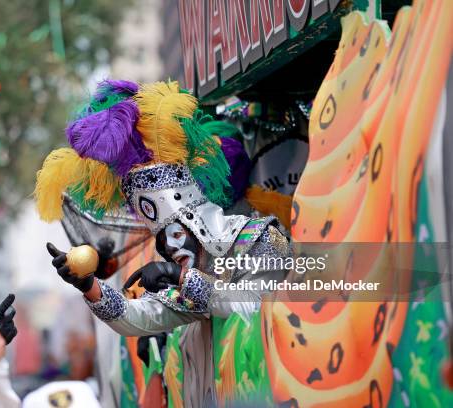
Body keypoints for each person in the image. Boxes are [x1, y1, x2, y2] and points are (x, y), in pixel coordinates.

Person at [36, 80, 289, 406]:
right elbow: (136, 316)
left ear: (197, 221)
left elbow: (258, 308)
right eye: (164, 243)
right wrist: (89, 286)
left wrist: (181, 278)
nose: (172, 250)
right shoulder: (197, 274)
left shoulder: (261, 238)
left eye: (175, 236)